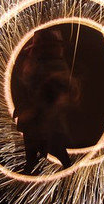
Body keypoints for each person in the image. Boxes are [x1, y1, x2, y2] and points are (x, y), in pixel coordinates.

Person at [13, 28, 79, 174]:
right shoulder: (34, 58)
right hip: (34, 109)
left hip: (46, 111)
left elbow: (60, 85)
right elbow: (25, 77)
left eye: (39, 41)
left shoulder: (55, 61)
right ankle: (30, 165)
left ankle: (68, 167)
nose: (35, 44)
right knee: (31, 139)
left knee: (51, 141)